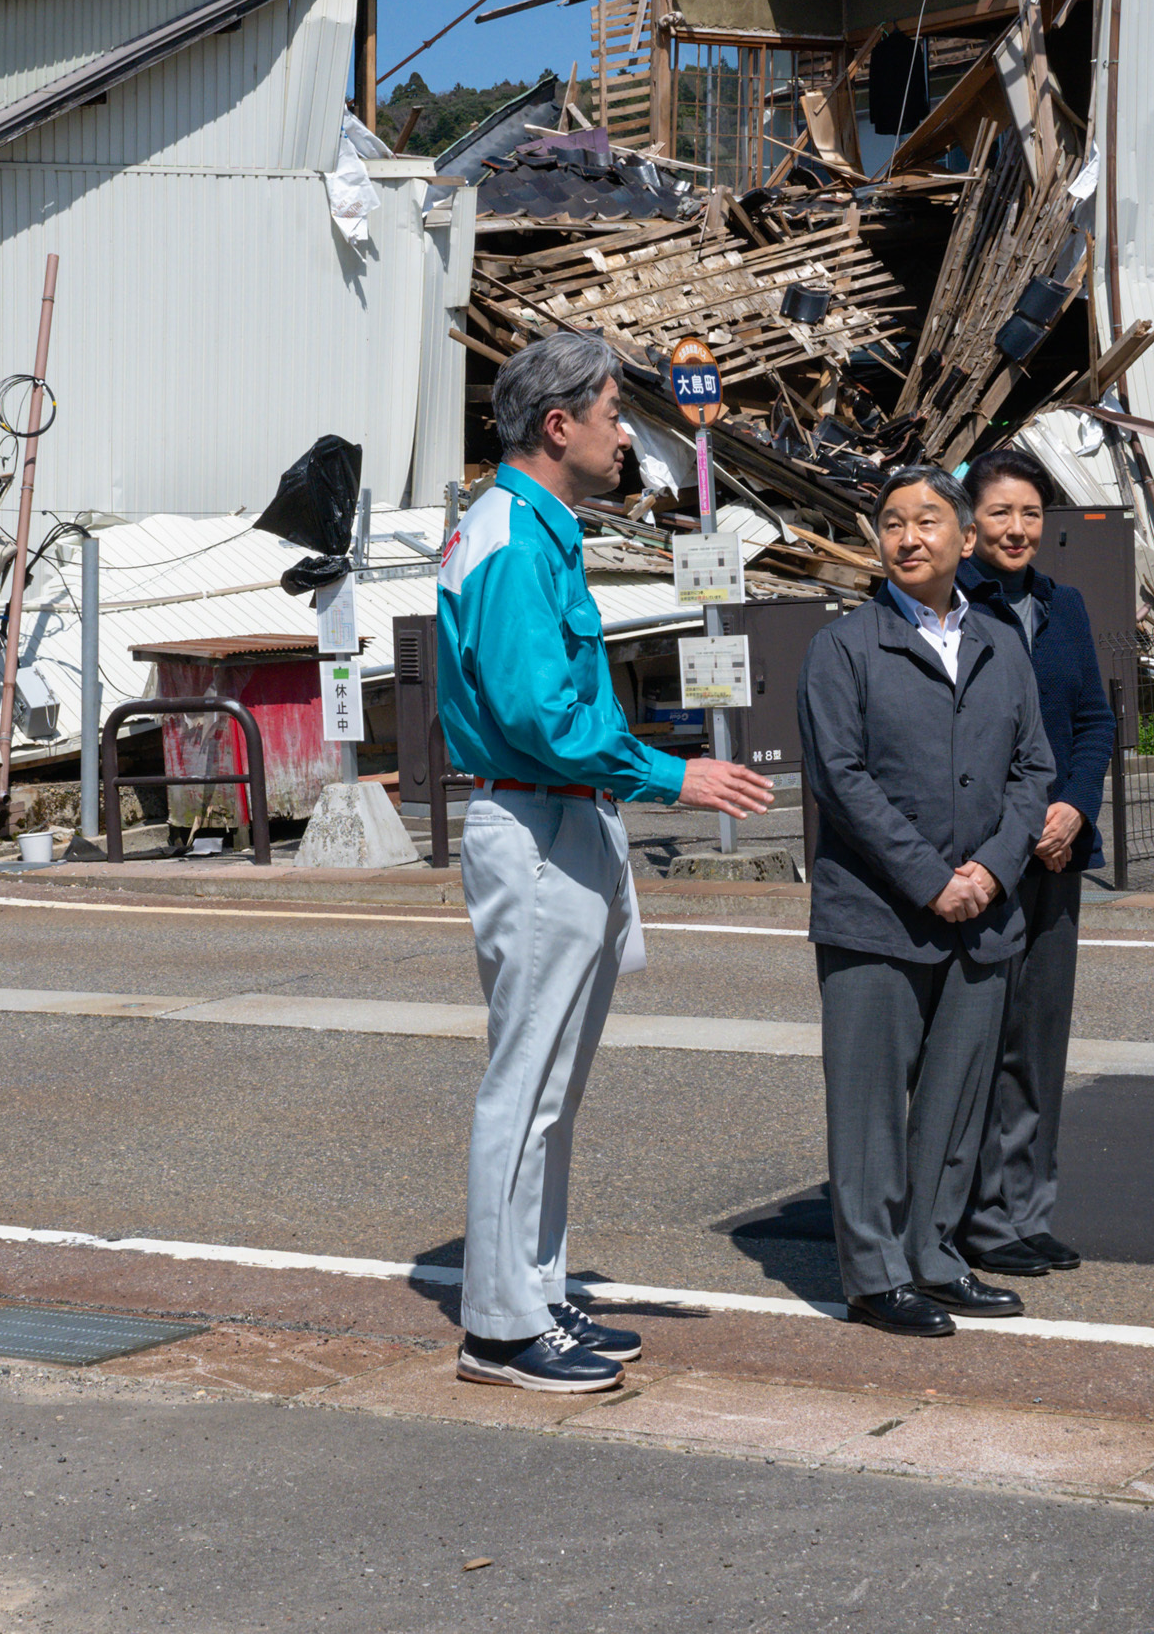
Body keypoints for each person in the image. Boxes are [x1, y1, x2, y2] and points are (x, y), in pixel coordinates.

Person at [438, 332, 775, 1391]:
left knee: (548, 1085)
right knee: (526, 1080)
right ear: (558, 425)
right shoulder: (510, 535)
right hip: (533, 816)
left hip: (557, 816)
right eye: (611, 412)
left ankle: (532, 1291)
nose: (624, 433)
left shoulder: (528, 526)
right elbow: (541, 712)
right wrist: (670, 777)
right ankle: (498, 1324)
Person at [798, 464, 1057, 1337]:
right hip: (875, 914)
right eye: (893, 523)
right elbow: (840, 777)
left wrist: (988, 869)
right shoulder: (843, 646)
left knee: (954, 1100)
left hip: (984, 908)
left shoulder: (999, 641)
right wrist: (930, 877)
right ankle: (874, 1275)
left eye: (928, 520)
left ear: (964, 539)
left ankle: (934, 1257)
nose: (909, 537)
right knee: (871, 1104)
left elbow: (1033, 769)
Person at [956, 447, 1119, 1281]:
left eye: (1029, 513)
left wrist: (1075, 803)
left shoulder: (1065, 606)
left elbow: (1094, 720)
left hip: (1057, 854)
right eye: (1000, 512)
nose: (1016, 528)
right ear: (967, 523)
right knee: (979, 1037)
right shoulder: (951, 612)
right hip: (986, 859)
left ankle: (1022, 1210)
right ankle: (972, 1214)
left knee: (1039, 1041)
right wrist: (1016, 829)